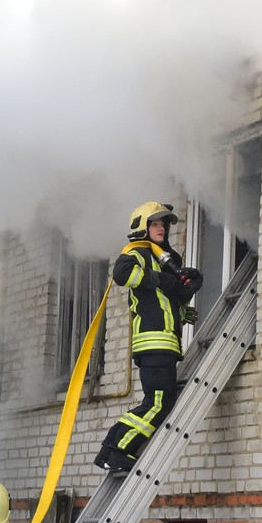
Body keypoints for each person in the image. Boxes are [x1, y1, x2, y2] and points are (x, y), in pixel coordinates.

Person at [93, 202, 203, 474]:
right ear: (142, 226)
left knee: (154, 402)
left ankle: (109, 450)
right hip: (154, 343)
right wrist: (165, 280)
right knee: (158, 404)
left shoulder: (163, 258)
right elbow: (123, 274)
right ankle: (120, 450)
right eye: (155, 223)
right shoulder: (138, 252)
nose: (161, 228)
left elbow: (166, 300)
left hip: (164, 343)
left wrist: (185, 296)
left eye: (164, 224)